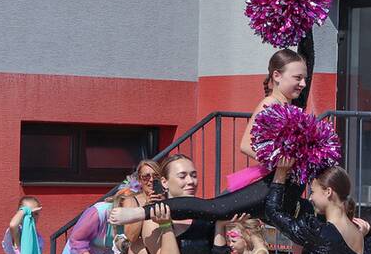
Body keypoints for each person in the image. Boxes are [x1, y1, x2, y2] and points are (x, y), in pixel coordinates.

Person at [109, 49, 308, 226]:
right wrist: (280, 163)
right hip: (275, 179)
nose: (303, 83)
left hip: (289, 184)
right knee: (215, 209)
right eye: (298, 77)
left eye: (304, 78)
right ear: (277, 76)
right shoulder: (270, 104)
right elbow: (246, 145)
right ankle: (140, 212)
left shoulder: (288, 107)